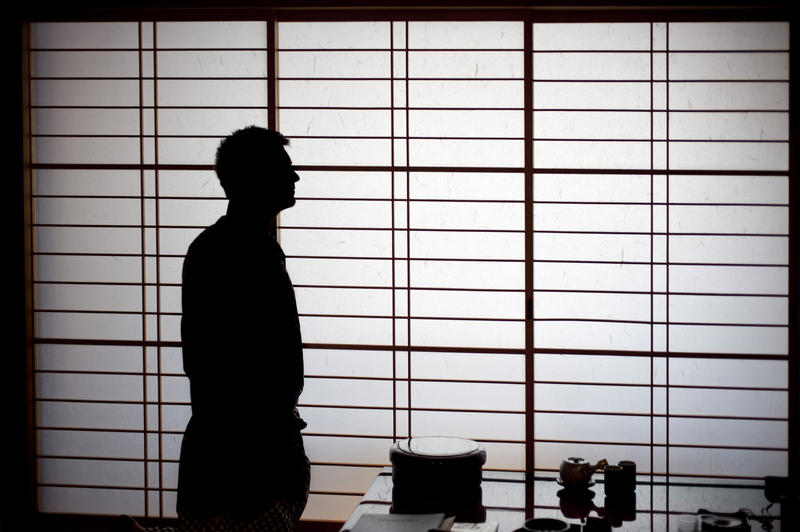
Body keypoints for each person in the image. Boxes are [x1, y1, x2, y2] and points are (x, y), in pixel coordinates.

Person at [176, 126, 309, 531]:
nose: (295, 177)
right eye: (285, 168)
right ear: (257, 178)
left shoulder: (213, 247)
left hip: (221, 452)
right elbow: (243, 369)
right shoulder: (248, 253)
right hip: (250, 460)